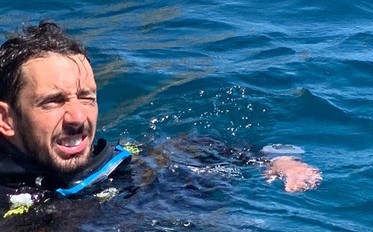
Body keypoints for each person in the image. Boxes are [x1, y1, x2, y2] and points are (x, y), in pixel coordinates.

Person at [0, 21, 320, 214]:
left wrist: (275, 160)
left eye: (87, 98)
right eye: (53, 102)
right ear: (7, 119)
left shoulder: (114, 161)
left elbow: (205, 147)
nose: (77, 117)